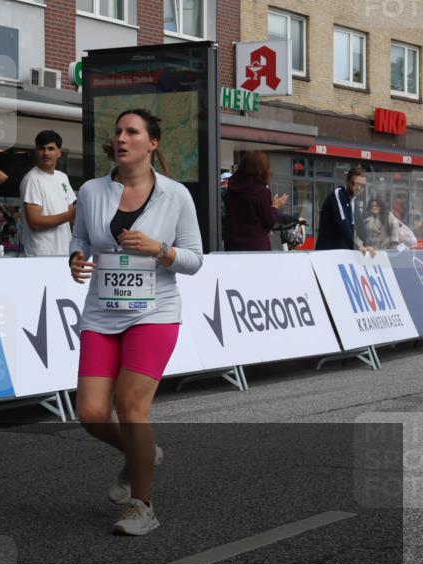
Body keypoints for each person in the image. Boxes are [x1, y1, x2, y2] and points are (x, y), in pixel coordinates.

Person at [69, 109, 203, 536]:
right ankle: (144, 452)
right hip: (102, 313)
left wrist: (158, 249)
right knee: (90, 413)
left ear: (153, 143)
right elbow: (80, 237)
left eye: (133, 132)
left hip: (155, 312)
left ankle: (142, 506)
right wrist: (75, 257)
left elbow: (195, 259)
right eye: (119, 131)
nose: (122, 138)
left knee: (130, 406)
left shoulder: (175, 195)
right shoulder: (91, 191)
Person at [19, 130, 77, 256]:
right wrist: (70, 215)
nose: (46, 153)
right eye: (41, 148)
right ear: (36, 152)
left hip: (65, 252)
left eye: (51, 148)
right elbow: (35, 222)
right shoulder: (32, 179)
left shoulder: (62, 177)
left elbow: (72, 216)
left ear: (59, 153)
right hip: (41, 255)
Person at [222, 151, 288, 251]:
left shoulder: (232, 188)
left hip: (232, 247)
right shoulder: (261, 192)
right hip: (255, 250)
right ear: (262, 169)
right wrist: (275, 206)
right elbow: (269, 222)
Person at [314, 166, 373, 254]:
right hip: (327, 254)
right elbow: (344, 227)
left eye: (362, 186)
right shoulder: (338, 195)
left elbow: (361, 226)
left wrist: (368, 243)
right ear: (347, 181)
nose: (359, 188)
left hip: (342, 254)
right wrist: (358, 248)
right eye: (355, 183)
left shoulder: (353, 201)